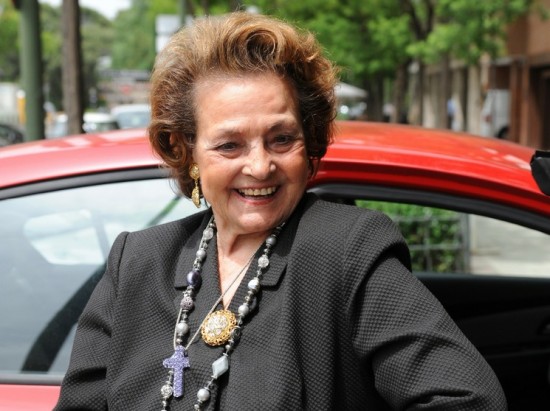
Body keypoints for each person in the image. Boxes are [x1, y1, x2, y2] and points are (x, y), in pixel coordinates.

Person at [54, 12, 507, 411]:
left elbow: (468, 400)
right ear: (186, 150)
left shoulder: (346, 251)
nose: (259, 166)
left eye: (281, 139)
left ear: (309, 142)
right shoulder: (137, 262)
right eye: (230, 145)